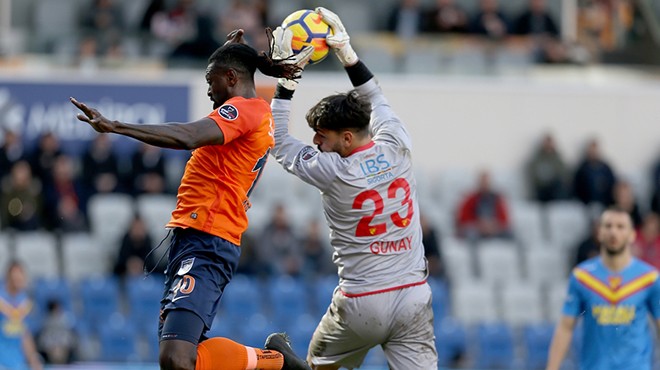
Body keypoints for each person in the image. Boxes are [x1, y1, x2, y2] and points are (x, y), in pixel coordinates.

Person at [71, 29, 311, 370]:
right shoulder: (253, 115)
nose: (208, 89)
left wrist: (116, 126)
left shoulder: (245, 110)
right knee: (186, 358)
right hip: (196, 239)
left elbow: (187, 136)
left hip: (208, 242)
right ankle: (275, 359)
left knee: (176, 358)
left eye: (210, 80)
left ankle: (276, 362)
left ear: (231, 77)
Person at [269, 8, 438, 369]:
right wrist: (348, 55)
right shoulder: (396, 143)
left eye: (322, 135)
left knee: (314, 366)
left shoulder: (334, 170)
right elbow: (375, 99)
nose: (315, 142)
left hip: (362, 303)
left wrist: (288, 80)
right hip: (412, 296)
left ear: (347, 137)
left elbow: (279, 140)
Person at [546, 206, 660, 370]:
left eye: (620, 227)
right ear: (599, 232)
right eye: (608, 226)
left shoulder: (649, 278)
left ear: (632, 235)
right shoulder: (582, 277)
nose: (614, 232)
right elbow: (565, 327)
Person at [0, 260, 44, 370]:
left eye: (21, 275)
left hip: (18, 362)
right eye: (15, 276)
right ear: (8, 277)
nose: (19, 279)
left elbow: (25, 334)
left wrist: (33, 359)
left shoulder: (25, 302)